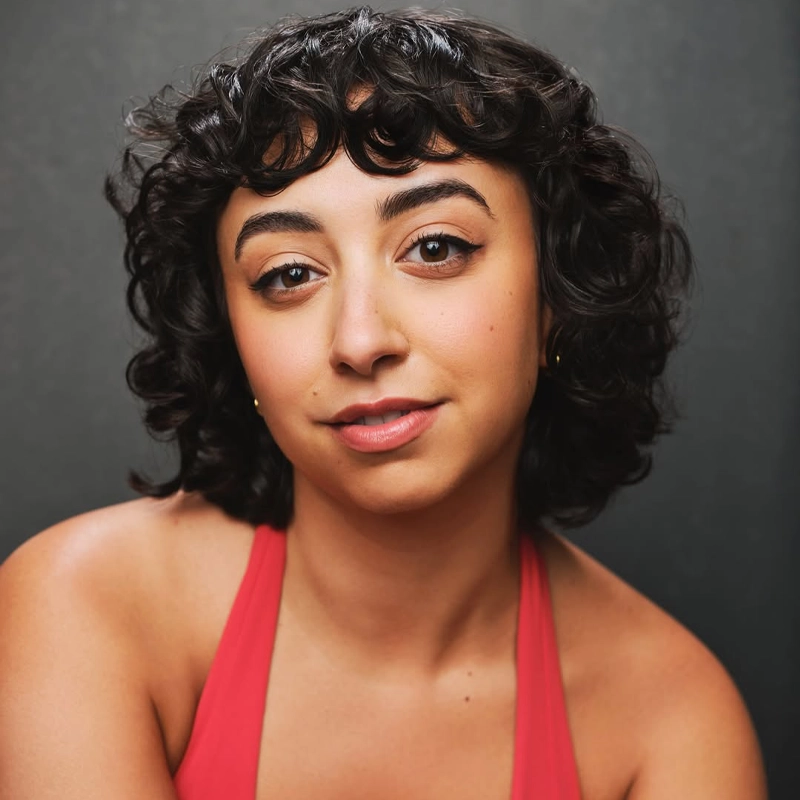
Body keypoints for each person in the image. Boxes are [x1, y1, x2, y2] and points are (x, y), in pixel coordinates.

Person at [0, 6, 767, 798]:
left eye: (435, 248)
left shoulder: (671, 721)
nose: (360, 340)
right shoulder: (87, 606)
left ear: (557, 298)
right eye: (289, 274)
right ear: (231, 337)